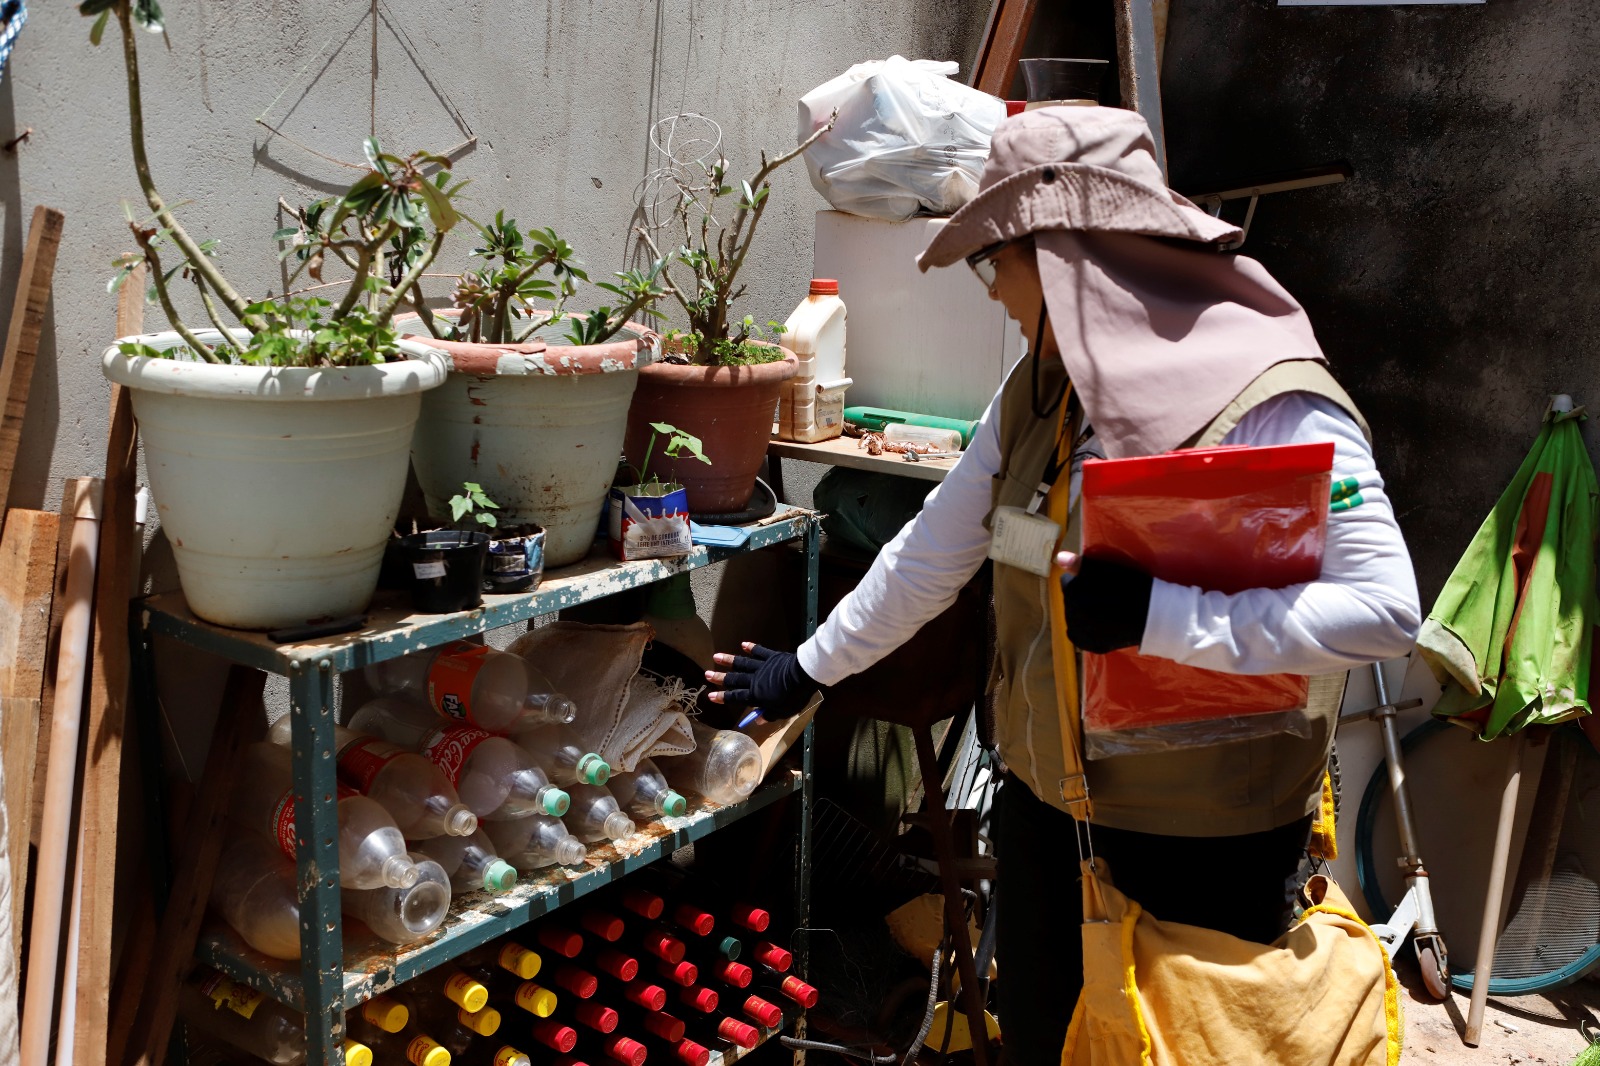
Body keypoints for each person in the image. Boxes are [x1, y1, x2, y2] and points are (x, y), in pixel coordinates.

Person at [705, 106, 1421, 1065]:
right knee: (1049, 1036)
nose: (993, 288)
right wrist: (808, 667)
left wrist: (1166, 618)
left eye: (995, 258)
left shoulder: (1272, 397)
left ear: (1066, 255)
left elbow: (1384, 611)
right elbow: (933, 552)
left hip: (1210, 836)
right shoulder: (1043, 392)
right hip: (1053, 808)